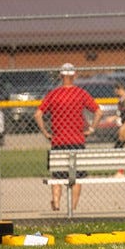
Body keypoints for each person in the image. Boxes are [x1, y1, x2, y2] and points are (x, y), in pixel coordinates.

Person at [35, 63, 102, 212]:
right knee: (77, 177)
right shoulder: (81, 93)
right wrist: (91, 128)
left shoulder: (53, 94)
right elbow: (98, 111)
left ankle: (57, 204)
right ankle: (72, 208)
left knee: (57, 175)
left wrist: (46, 133)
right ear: (74, 75)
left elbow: (38, 114)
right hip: (77, 141)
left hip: (59, 141)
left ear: (61, 76)